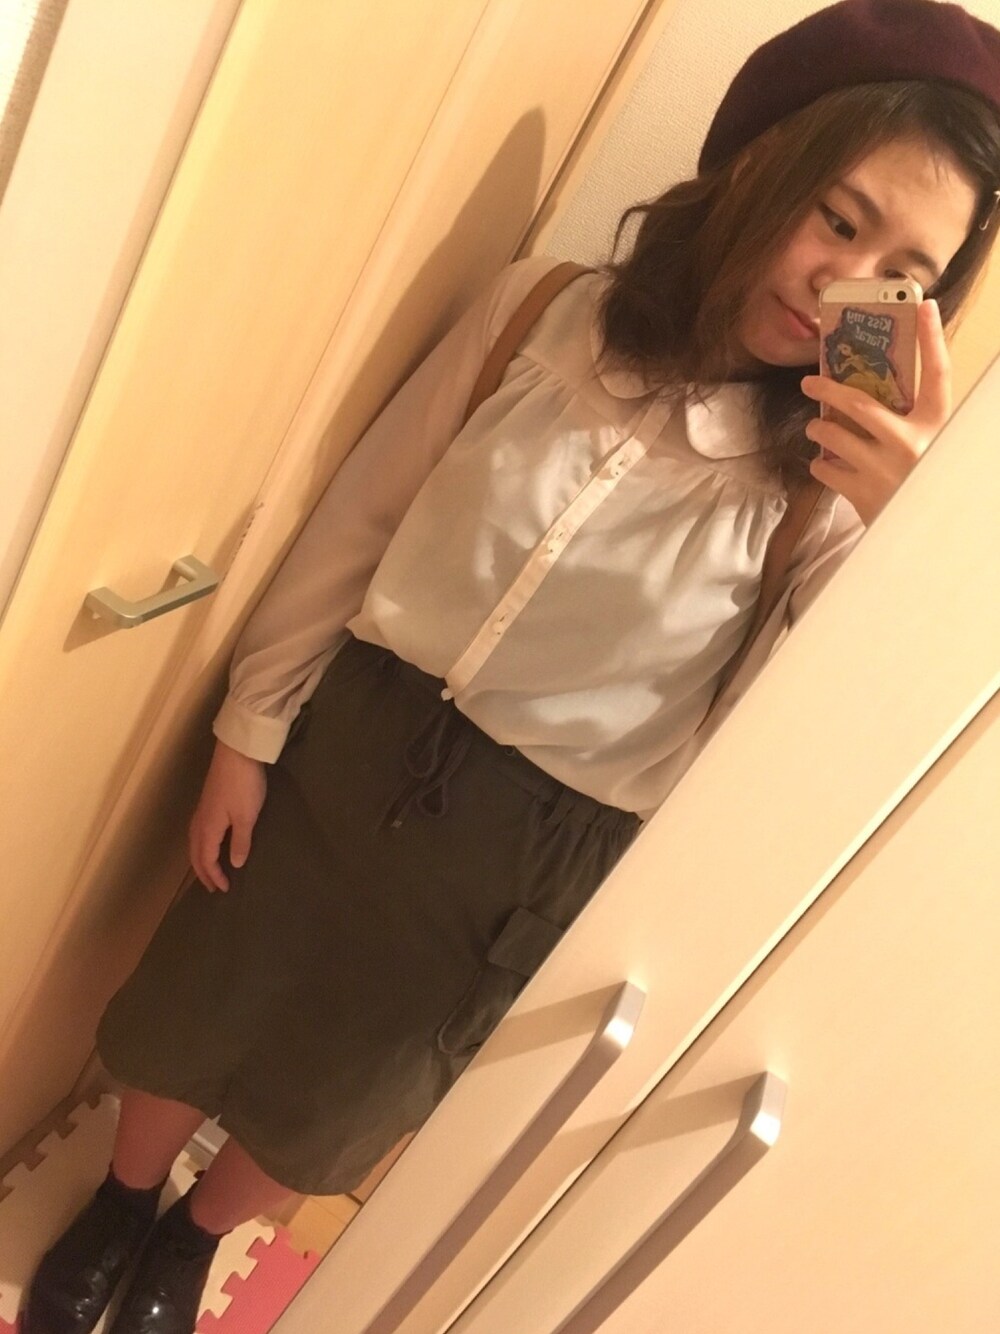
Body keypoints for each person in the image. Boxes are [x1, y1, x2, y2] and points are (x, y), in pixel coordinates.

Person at [23, 2, 1000, 1331]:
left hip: (540, 849)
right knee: (203, 995)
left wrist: (910, 536)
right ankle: (122, 1200)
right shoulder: (548, 312)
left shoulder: (828, 505)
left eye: (902, 273)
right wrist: (249, 726)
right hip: (354, 736)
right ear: (762, 162)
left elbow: (810, 750)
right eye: (838, 218)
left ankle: (193, 1242)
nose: (844, 282)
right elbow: (363, 514)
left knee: (347, 1091)